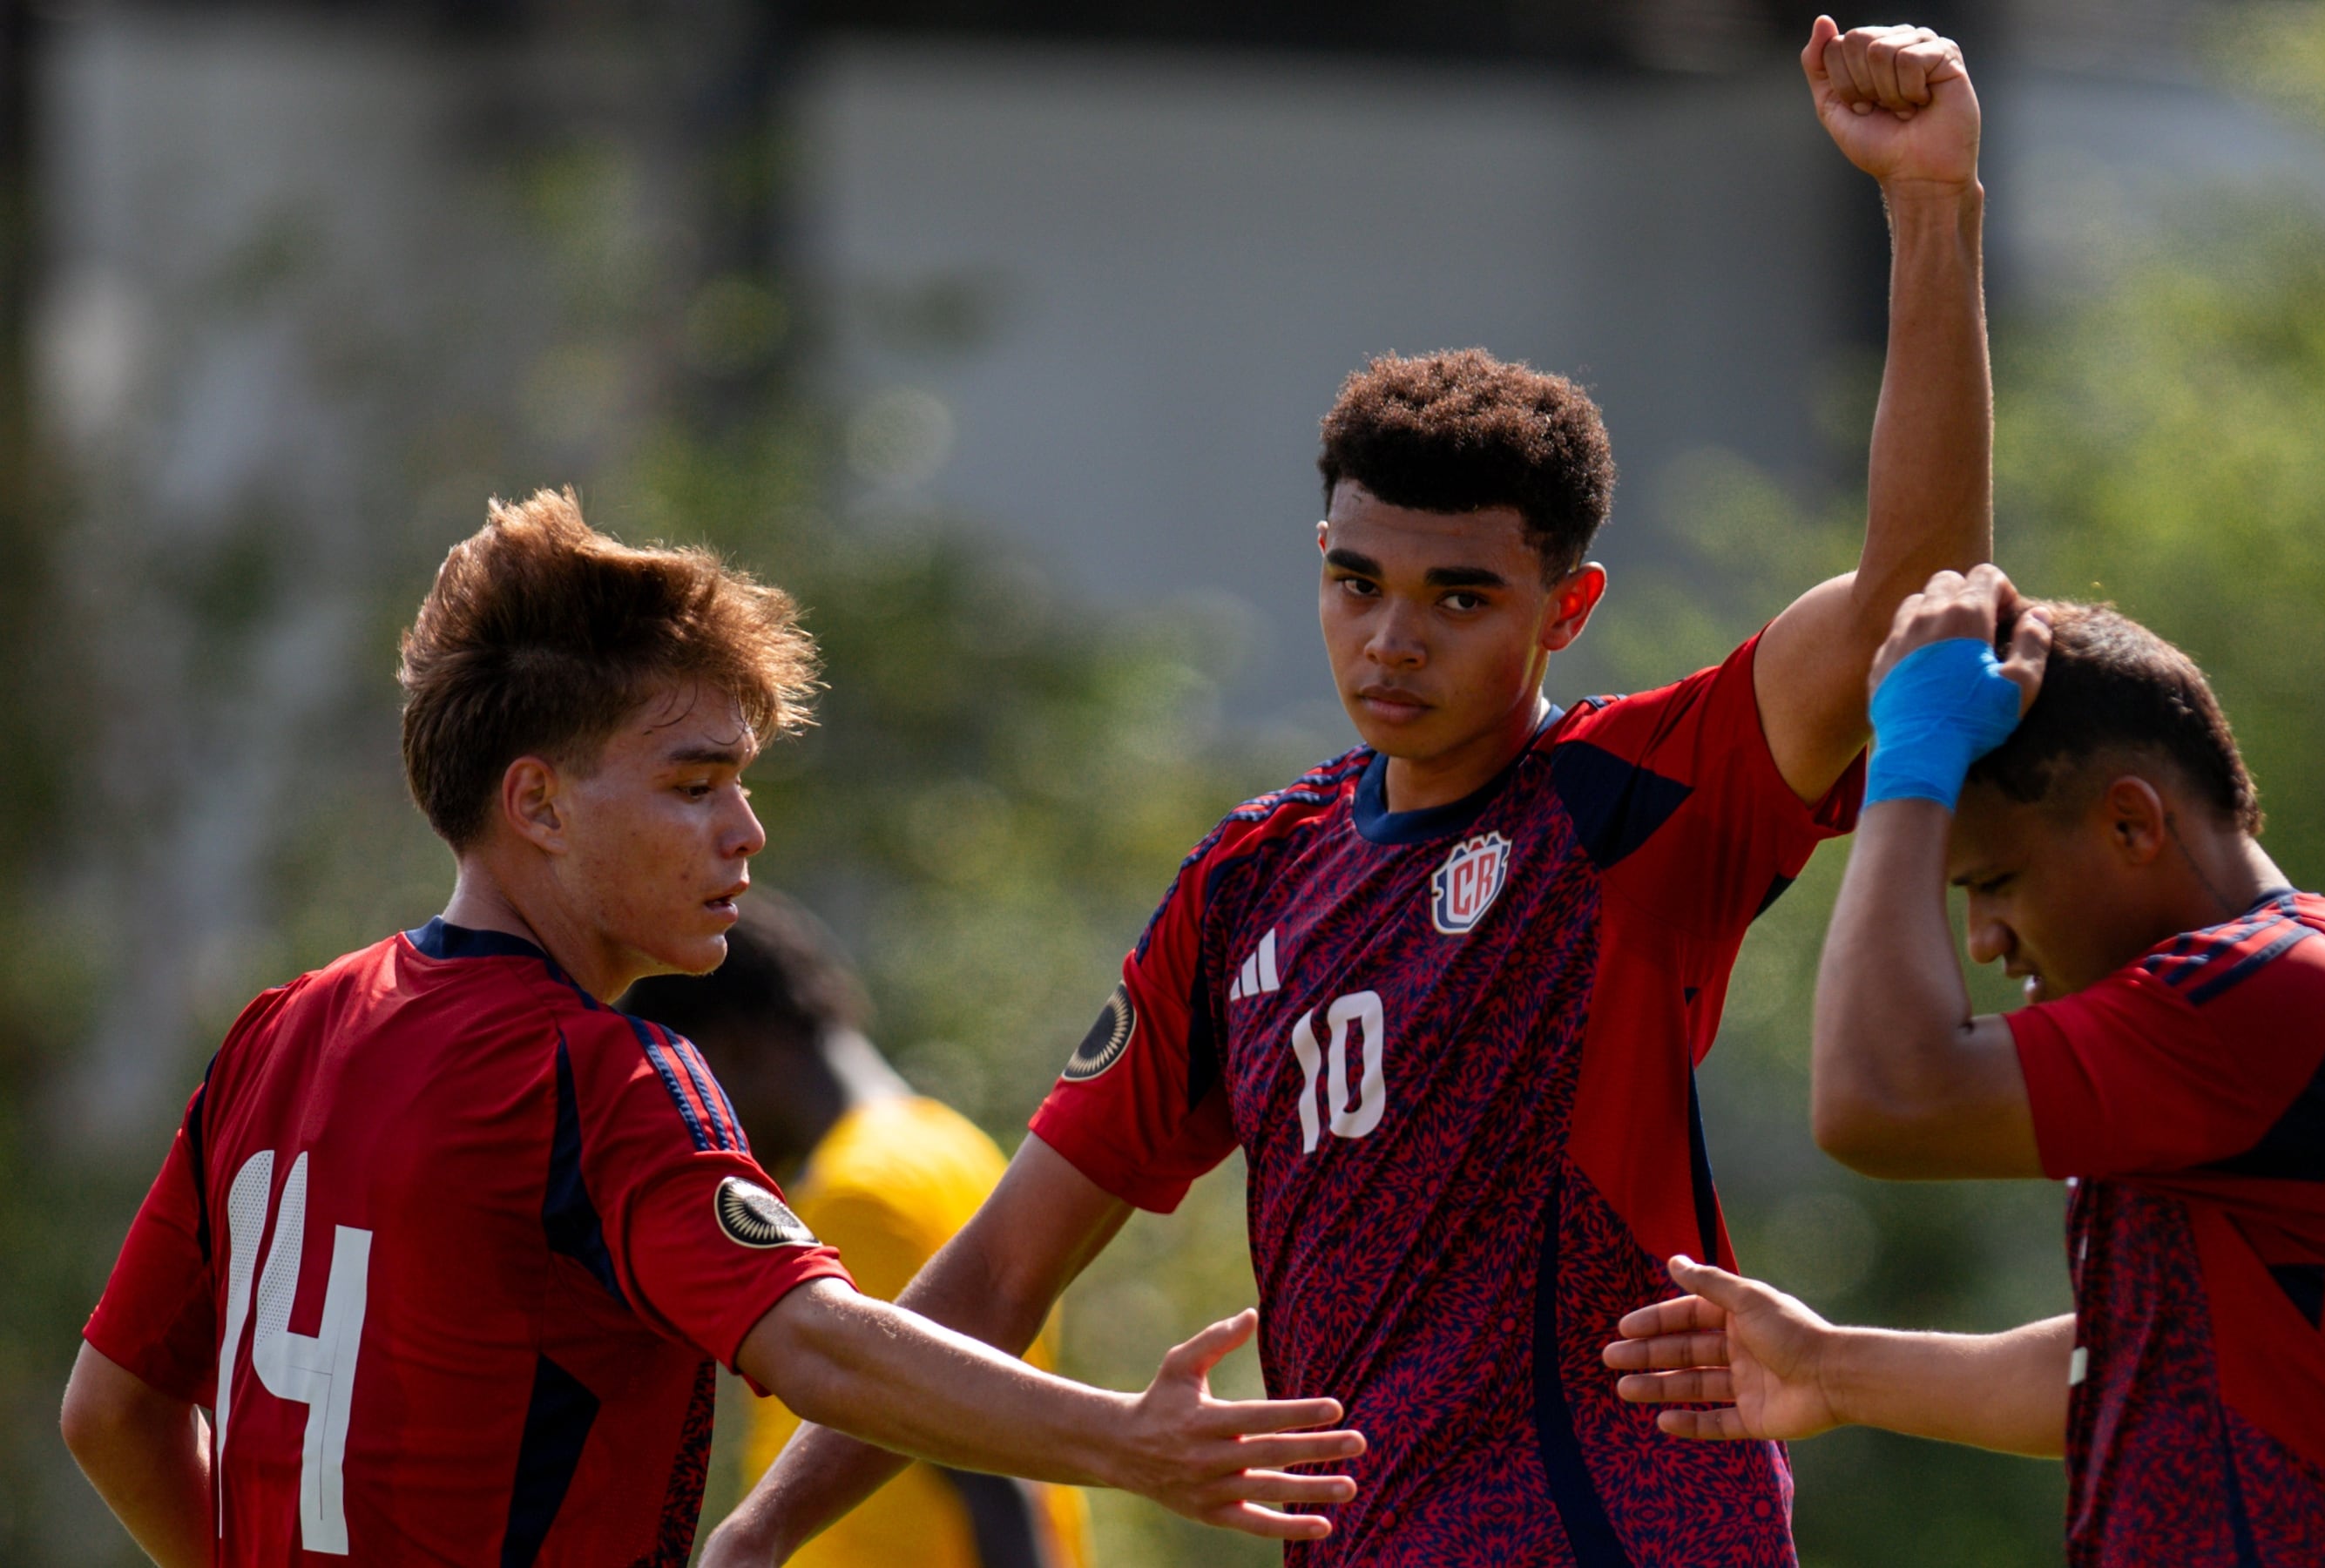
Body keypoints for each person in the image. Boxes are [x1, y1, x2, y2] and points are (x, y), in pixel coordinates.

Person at [703, 18, 1993, 1565]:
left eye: (1459, 598)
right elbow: (991, 1279)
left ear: (1562, 613)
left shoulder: (1628, 802)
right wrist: (754, 1541)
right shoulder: (1251, 881)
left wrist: (1931, 204)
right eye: (1357, 582)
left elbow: (1918, 592)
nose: (1393, 637)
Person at [58, 491, 1361, 1566]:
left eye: (745, 782)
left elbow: (111, 1412)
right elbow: (812, 1343)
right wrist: (1123, 1439)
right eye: (694, 786)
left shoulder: (278, 1032)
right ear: (540, 804)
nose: (746, 832)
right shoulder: (601, 1076)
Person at [1604, 565, 2325, 1566]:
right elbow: (2130, 1360)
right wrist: (1832, 1370)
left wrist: (1912, 760)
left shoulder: (2281, 989)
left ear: (2130, 824)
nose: (1981, 941)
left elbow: (1877, 1098)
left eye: (1993, 882)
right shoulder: (2260, 1000)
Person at [623, 890, 1092, 1568]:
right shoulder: (949, 1143)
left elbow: (987, 1470)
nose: (690, 1132)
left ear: (738, 1047)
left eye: (691, 1092)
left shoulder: (855, 1194)